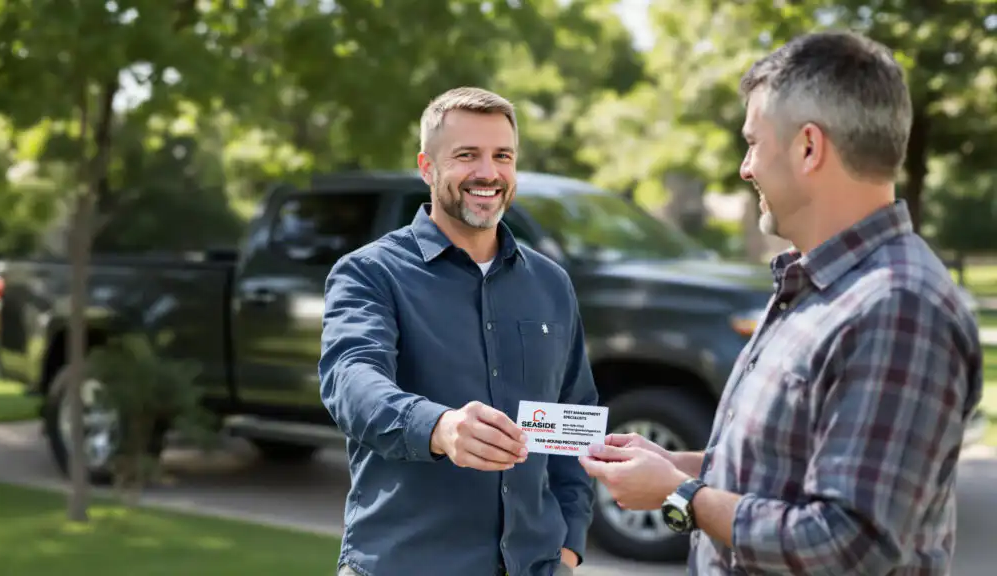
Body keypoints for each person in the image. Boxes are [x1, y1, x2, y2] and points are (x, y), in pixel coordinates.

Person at [579, 30, 983, 575]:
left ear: (809, 147)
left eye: (752, 142)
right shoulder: (820, 281)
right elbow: (785, 467)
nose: (746, 168)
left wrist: (683, 498)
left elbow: (846, 543)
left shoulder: (897, 307)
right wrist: (679, 467)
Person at [318, 86, 598, 576]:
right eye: (467, 155)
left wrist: (569, 546)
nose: (488, 173)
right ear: (427, 168)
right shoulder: (369, 273)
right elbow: (350, 379)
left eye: (502, 156)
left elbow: (573, 420)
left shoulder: (552, 284)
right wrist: (440, 428)